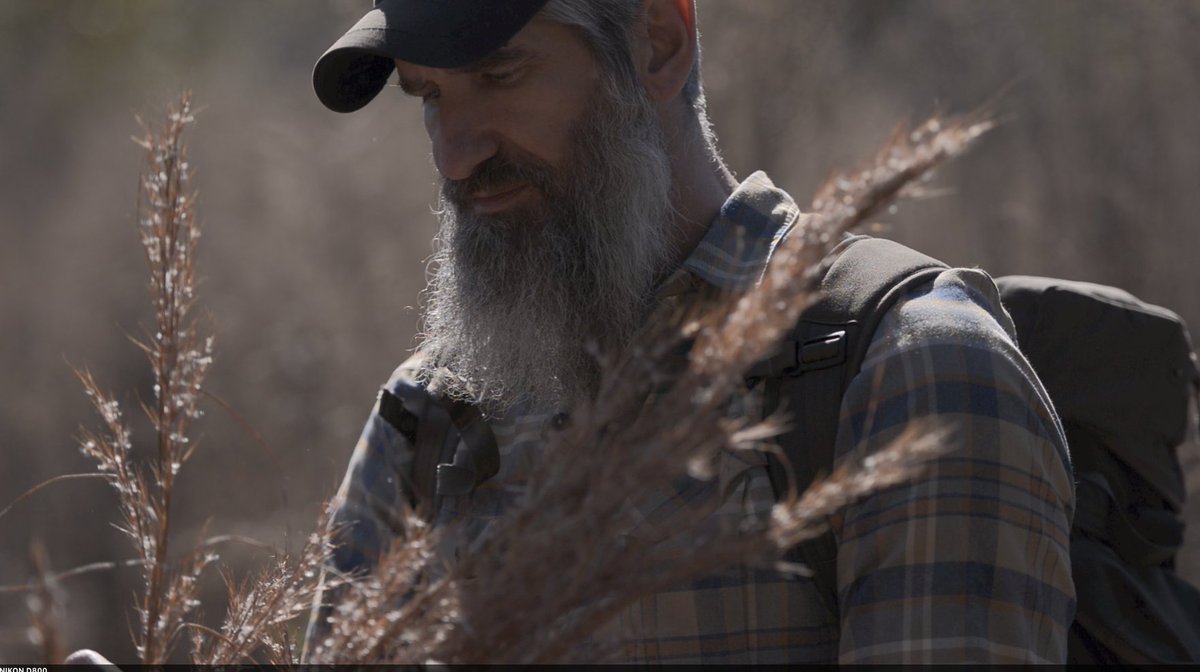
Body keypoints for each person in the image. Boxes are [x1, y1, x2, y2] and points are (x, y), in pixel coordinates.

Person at [306, 0, 1075, 664]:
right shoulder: (428, 416)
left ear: (658, 43)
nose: (454, 153)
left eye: (499, 76)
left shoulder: (913, 372)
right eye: (429, 95)